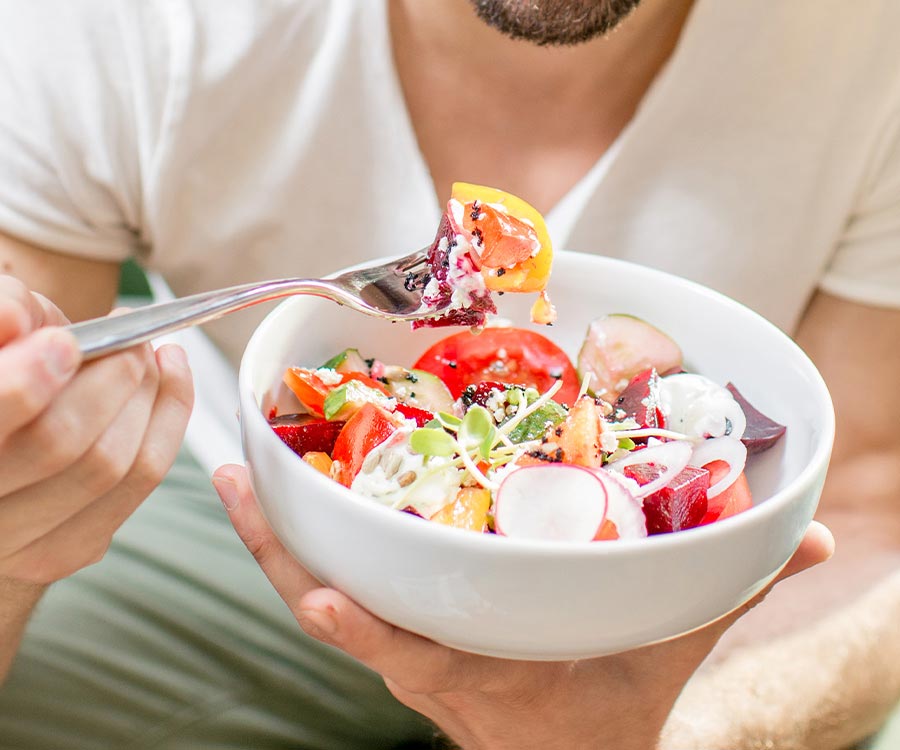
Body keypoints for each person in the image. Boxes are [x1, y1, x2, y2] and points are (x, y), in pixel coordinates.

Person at [0, 0, 898, 747]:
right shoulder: (124, 23)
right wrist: (12, 551)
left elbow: (872, 504)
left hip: (680, 625)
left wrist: (675, 731)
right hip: (235, 515)